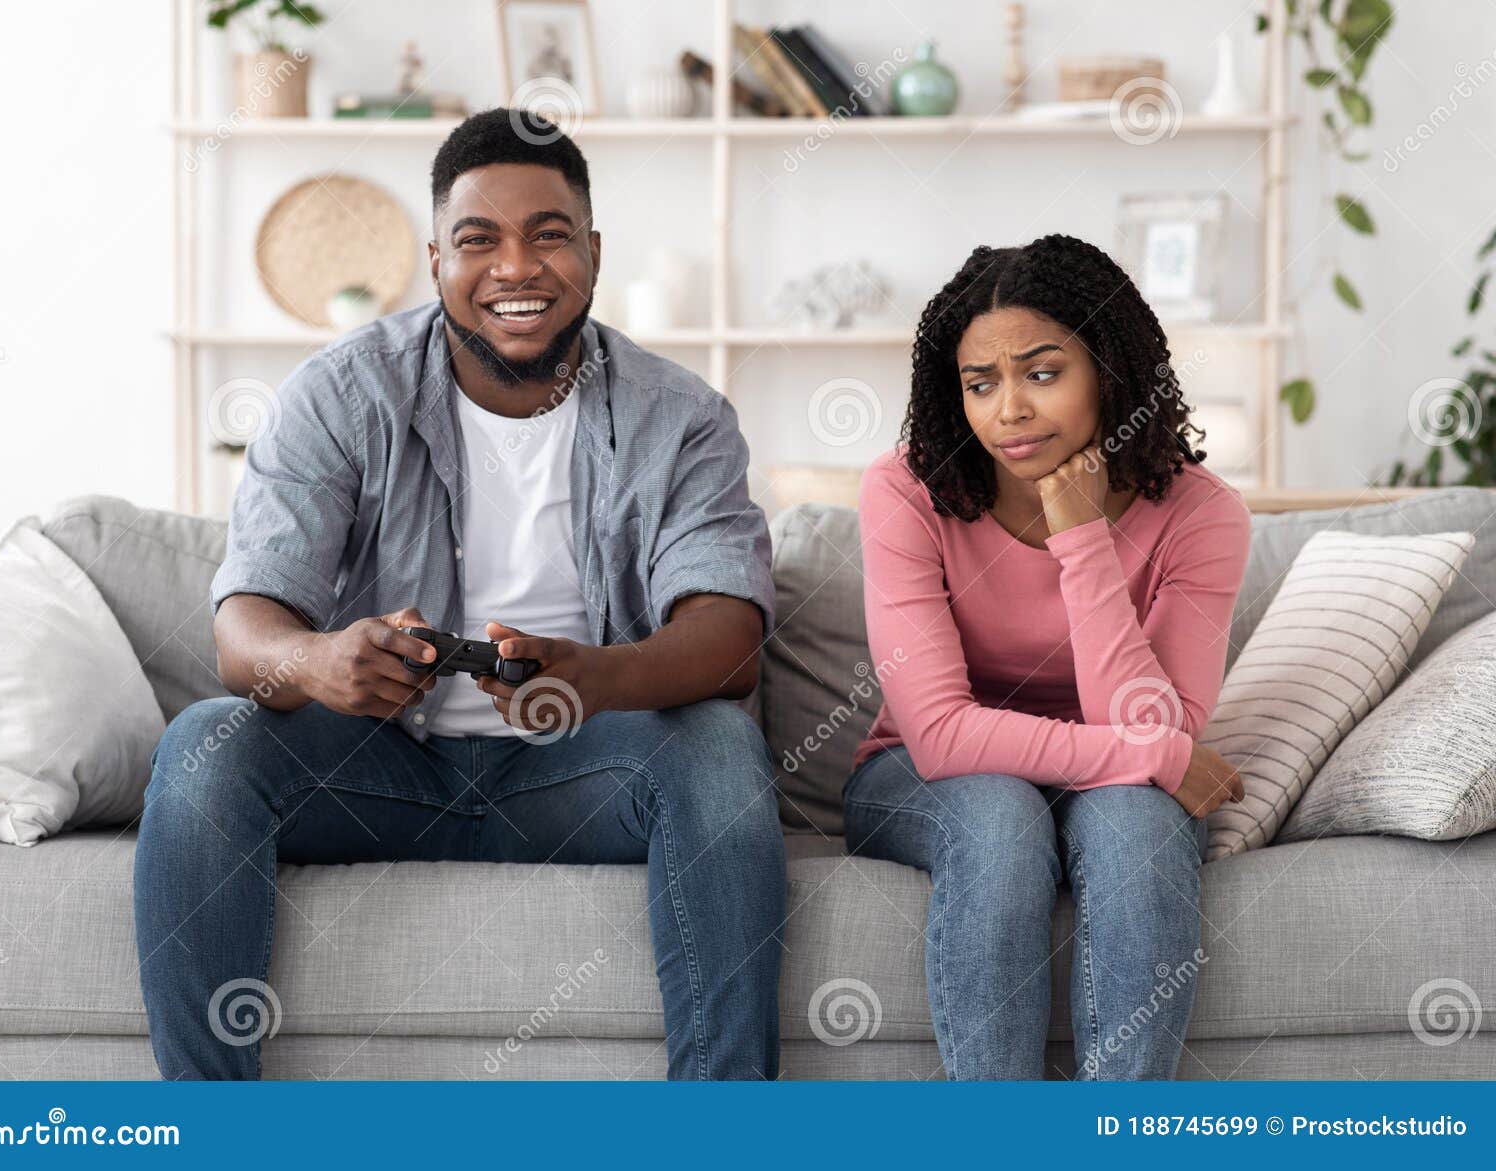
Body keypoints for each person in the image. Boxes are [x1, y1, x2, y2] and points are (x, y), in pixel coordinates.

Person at [133, 108, 785, 1081]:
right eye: (478, 241)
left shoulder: (678, 415)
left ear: (594, 254)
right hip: (378, 769)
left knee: (722, 750)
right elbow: (245, 632)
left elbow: (729, 639)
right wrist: (321, 661)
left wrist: (595, 677)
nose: (515, 267)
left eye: (549, 235)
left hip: (582, 770)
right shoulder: (341, 393)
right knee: (203, 747)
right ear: (436, 258)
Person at [845, 234, 1250, 1080]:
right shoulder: (905, 489)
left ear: (1110, 368)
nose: (1009, 412)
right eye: (980, 384)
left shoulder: (1201, 514)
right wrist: (1154, 753)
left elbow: (1147, 719)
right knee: (998, 816)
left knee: (1141, 825)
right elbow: (944, 739)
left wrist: (1082, 538)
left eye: (1041, 373)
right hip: (918, 777)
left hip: (1113, 775)